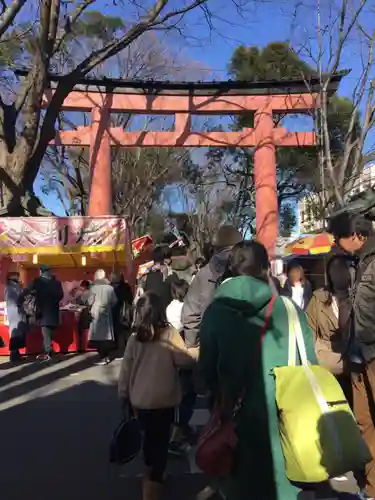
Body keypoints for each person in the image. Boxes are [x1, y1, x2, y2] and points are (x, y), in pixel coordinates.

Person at [199, 240, 317, 500]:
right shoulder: (290, 311)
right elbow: (310, 366)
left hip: (235, 426)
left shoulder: (215, 313)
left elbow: (206, 373)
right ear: (266, 269)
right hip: (288, 428)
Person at [118, 292, 198, 500]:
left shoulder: (135, 338)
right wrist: (197, 351)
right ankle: (153, 486)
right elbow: (184, 360)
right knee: (161, 442)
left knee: (148, 441)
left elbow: (126, 370)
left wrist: (123, 393)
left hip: (140, 399)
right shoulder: (169, 334)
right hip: (165, 399)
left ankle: (149, 476)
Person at [171, 225, 242, 453]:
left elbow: (189, 314)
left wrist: (192, 346)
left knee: (214, 400)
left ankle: (217, 452)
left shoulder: (204, 275)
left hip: (211, 348)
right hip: (245, 349)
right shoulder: (249, 268)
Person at [328, 212, 375, 499]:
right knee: (363, 421)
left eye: (339, 237)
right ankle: (370, 487)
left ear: (358, 236)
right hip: (358, 353)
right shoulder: (355, 263)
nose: (336, 243)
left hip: (373, 352)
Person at [18, 264, 64, 362]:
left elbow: (25, 291)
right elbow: (61, 296)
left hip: (42, 312)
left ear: (41, 271)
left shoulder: (37, 281)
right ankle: (46, 352)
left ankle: (49, 353)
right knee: (49, 334)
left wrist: (19, 302)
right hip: (54, 312)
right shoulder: (57, 283)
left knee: (46, 333)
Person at [88, 269, 118, 365]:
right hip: (107, 312)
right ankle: (107, 356)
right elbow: (115, 301)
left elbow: (89, 301)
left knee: (97, 336)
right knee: (107, 336)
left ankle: (102, 357)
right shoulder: (110, 288)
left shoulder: (94, 288)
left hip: (96, 312)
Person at [142, 246, 178, 311]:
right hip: (165, 315)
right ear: (165, 261)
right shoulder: (172, 277)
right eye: (169, 258)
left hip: (150, 314)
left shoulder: (146, 275)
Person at [5, 272, 28, 362]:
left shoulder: (15, 286)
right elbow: (15, 299)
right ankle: (14, 354)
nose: (19, 278)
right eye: (17, 276)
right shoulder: (11, 288)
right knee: (15, 331)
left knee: (18, 332)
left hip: (17, 311)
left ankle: (16, 352)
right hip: (15, 311)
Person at [110, 273, 134, 353]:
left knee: (118, 330)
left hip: (117, 311)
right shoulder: (126, 286)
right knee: (126, 329)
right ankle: (128, 347)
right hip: (126, 311)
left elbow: (114, 300)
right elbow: (130, 298)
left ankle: (120, 348)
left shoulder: (114, 288)